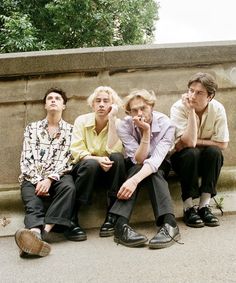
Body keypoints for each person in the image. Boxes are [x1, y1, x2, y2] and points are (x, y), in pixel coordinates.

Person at [109, 89, 180, 249]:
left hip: (160, 163)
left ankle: (168, 224)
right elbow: (139, 159)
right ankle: (123, 227)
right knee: (139, 167)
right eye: (134, 110)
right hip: (137, 164)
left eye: (143, 108)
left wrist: (133, 181)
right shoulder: (124, 126)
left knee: (153, 171)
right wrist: (146, 133)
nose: (139, 113)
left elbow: (155, 160)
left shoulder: (166, 124)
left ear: (152, 107)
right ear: (128, 112)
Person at [15, 87, 76, 258]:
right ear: (45, 105)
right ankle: (34, 235)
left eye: (57, 98)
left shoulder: (71, 131)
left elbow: (69, 159)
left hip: (57, 177)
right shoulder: (31, 128)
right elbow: (26, 158)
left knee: (69, 188)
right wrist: (38, 179)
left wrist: (49, 179)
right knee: (33, 205)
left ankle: (39, 235)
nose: (53, 100)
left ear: (64, 105)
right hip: (31, 177)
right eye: (50, 98)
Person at [66, 86, 126, 241]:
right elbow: (77, 151)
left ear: (112, 105)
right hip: (86, 169)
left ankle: (112, 215)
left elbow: (114, 150)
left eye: (106, 101)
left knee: (118, 158)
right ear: (92, 104)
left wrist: (112, 119)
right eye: (97, 101)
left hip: (108, 170)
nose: (101, 104)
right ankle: (73, 216)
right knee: (91, 164)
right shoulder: (82, 120)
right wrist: (98, 159)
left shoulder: (119, 124)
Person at [170, 72, 229, 228]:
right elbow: (188, 143)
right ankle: (188, 207)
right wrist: (191, 112)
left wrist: (198, 142)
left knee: (214, 152)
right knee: (191, 152)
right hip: (182, 159)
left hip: (205, 159)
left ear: (210, 96)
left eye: (199, 92)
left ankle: (204, 205)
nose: (192, 95)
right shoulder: (178, 107)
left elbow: (223, 144)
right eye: (191, 90)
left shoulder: (218, 109)